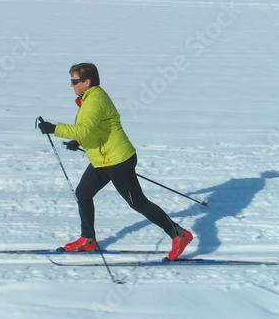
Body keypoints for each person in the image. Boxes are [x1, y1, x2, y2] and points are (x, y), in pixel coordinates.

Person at [37, 62, 194, 260]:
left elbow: (83, 129)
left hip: (118, 160)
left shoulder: (95, 100)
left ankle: (179, 234)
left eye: (74, 81)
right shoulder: (88, 98)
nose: (71, 85)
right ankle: (88, 239)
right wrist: (76, 141)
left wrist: (53, 128)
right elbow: (91, 129)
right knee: (83, 193)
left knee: (138, 202)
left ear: (87, 82)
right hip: (103, 160)